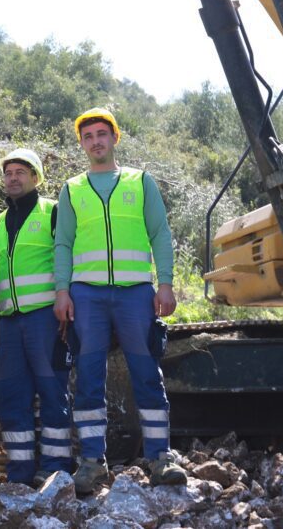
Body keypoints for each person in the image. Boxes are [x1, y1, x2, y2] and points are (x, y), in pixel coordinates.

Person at [54, 108, 187, 493]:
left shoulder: (140, 182)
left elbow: (160, 233)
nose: (95, 141)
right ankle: (93, 463)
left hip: (135, 294)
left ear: (115, 138)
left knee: (146, 372)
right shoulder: (72, 188)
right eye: (88, 136)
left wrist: (165, 283)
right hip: (87, 295)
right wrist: (62, 290)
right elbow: (63, 242)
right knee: (89, 378)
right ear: (82, 144)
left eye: (101, 133)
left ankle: (160, 458)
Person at [0, 148, 74, 486]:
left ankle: (55, 468)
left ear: (35, 178)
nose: (13, 178)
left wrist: (67, 306)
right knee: (11, 395)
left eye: (21, 172)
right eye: (9, 173)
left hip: (46, 320)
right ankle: (19, 473)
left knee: (52, 391)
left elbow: (69, 258)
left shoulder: (52, 212)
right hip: (9, 324)